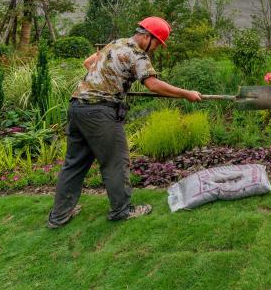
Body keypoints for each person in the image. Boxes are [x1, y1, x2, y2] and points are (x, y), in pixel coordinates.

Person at [47, 17, 202, 228]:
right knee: (116, 162)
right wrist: (186, 94)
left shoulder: (116, 43)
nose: (155, 49)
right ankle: (121, 211)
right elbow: (153, 85)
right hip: (100, 113)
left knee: (74, 164)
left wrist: (113, 81)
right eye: (156, 44)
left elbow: (88, 63)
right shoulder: (137, 53)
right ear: (147, 36)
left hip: (77, 107)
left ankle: (59, 216)